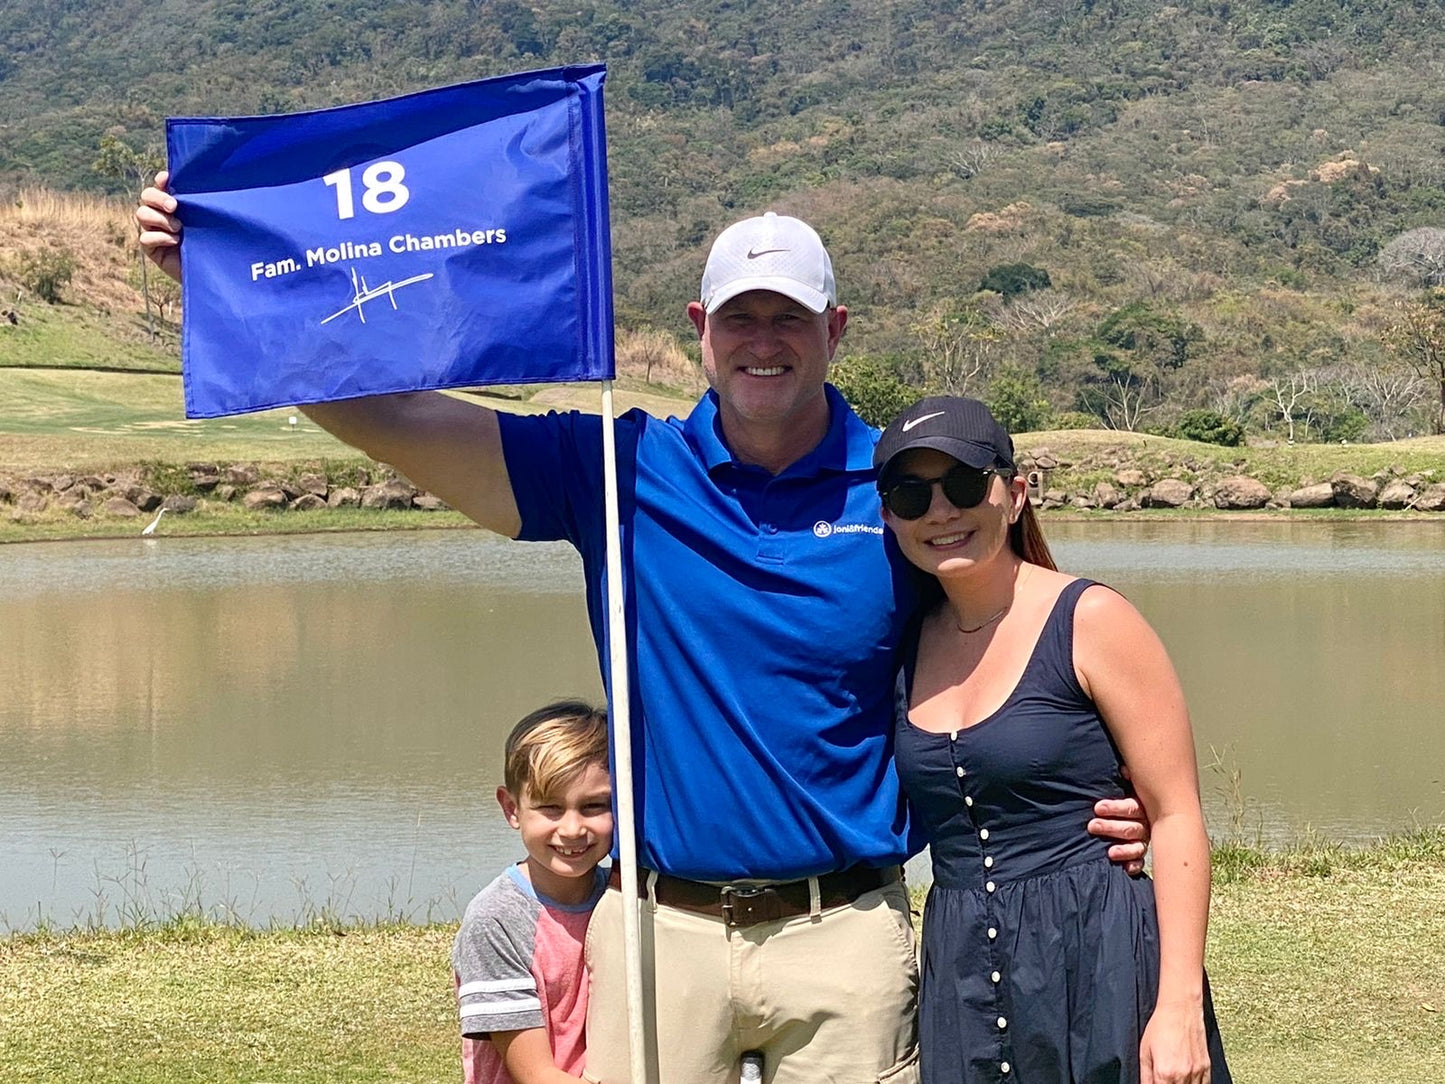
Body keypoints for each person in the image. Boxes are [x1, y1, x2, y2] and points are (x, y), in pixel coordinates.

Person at [137, 179, 1152, 1083]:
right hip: (657, 931)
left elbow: (1013, 638)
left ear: (835, 327)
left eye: (789, 317)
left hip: (844, 929)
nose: (765, 339)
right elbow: (394, 417)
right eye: (741, 317)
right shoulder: (619, 471)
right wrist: (232, 285)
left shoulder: (893, 489)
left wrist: (1087, 805)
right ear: (698, 327)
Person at [874, 395, 1231, 1084]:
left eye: (961, 484)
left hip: (1097, 958)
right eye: (911, 494)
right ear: (888, 517)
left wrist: (1177, 1003)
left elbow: (1177, 814)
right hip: (961, 976)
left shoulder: (1091, 618)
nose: (940, 511)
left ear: (1012, 495)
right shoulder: (905, 641)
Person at [453, 700, 611, 1084]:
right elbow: (537, 1074)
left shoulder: (623, 897)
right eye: (551, 808)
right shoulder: (496, 921)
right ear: (511, 809)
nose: (572, 829)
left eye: (594, 806)